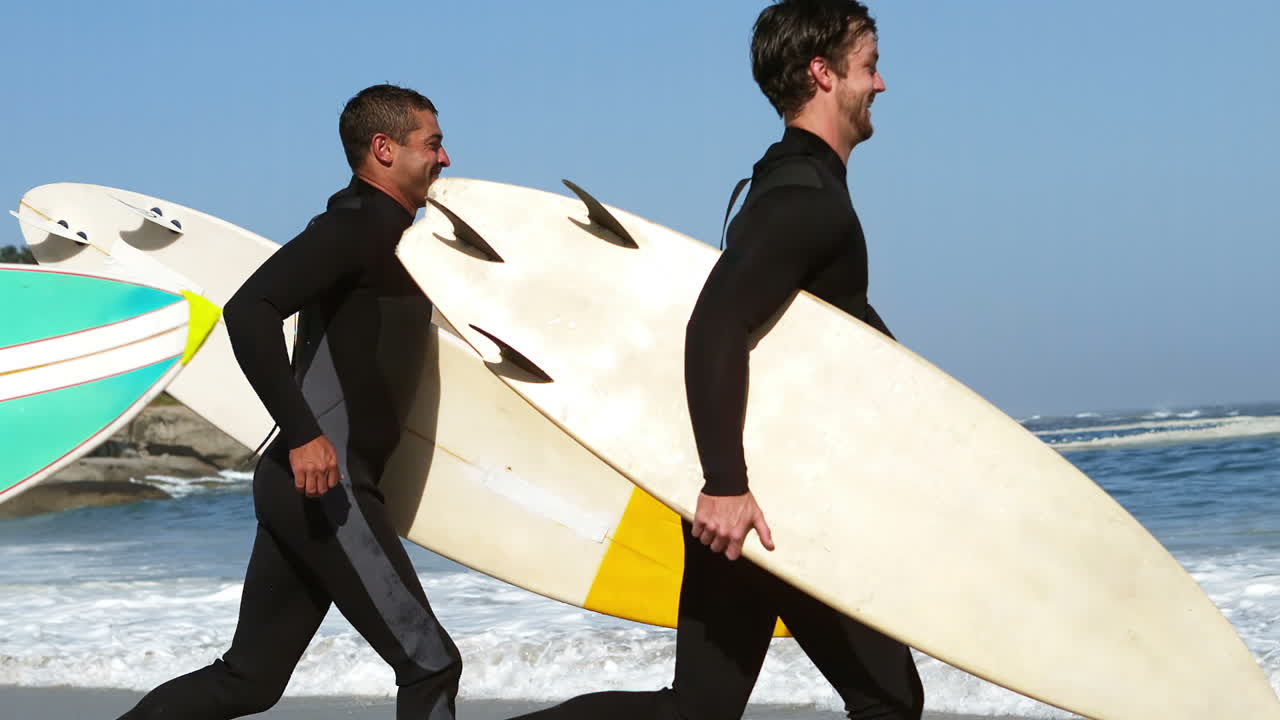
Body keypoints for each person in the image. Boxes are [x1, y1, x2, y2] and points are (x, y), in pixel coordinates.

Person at [509, 2, 923, 719]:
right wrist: (725, 484)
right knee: (888, 700)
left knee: (699, 709)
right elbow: (715, 323)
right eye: (869, 66)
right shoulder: (805, 200)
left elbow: (814, 322)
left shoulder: (787, 184)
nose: (880, 84)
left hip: (748, 490)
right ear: (823, 74)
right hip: (760, 499)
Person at [117, 84, 461, 720]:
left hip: (307, 487)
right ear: (384, 149)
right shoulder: (355, 227)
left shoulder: (397, 238)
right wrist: (303, 433)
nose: (445, 158)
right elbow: (249, 309)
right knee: (429, 662)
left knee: (250, 680)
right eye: (432, 144)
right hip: (326, 485)